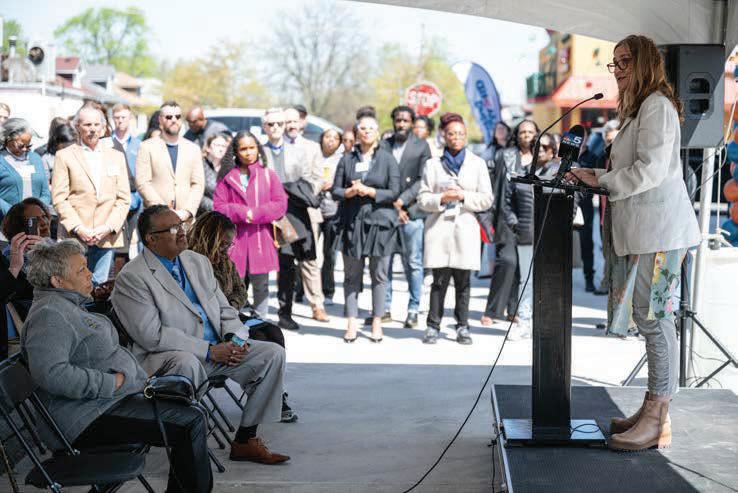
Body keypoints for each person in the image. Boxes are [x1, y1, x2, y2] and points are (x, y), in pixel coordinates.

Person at [567, 34, 701, 452]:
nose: (618, 70)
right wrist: (594, 176)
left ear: (645, 63)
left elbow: (651, 171)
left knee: (656, 321)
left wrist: (603, 181)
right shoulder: (641, 107)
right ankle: (652, 409)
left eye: (625, 61)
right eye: (615, 62)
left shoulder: (657, 106)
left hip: (661, 233)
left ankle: (658, 419)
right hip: (648, 232)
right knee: (649, 319)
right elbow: (634, 169)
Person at [22, 239, 213, 492]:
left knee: (189, 409)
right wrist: (112, 382)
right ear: (57, 281)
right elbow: (52, 374)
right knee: (190, 421)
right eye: (81, 270)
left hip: (105, 404)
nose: (90, 273)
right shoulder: (49, 314)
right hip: (85, 418)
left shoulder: (66, 305)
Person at [111, 205, 289, 464]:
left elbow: (225, 310)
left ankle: (245, 439)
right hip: (166, 358)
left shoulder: (196, 261)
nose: (183, 232)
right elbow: (151, 336)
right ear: (151, 239)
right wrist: (209, 350)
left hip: (217, 350)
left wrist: (233, 340)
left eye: (181, 225)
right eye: (174, 229)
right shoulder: (133, 276)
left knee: (272, 353)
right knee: (187, 361)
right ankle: (187, 447)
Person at [187, 211, 297, 423]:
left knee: (273, 331)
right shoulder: (192, 262)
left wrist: (230, 306)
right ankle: (261, 391)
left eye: (229, 244)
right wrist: (223, 309)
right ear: (209, 238)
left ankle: (276, 393)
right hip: (210, 323)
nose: (227, 249)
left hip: (231, 314)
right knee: (259, 339)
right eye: (223, 244)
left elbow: (240, 290)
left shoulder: (225, 261)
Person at [417, 113, 493, 345]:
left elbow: (486, 198)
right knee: (438, 282)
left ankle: (462, 326)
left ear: (466, 136)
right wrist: (441, 198)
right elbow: (422, 198)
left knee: (463, 283)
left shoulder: (477, 163)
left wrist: (463, 196)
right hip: (439, 228)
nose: (456, 137)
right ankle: (433, 326)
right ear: (444, 136)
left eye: (460, 133)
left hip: (465, 229)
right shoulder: (432, 164)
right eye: (451, 133)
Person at [332, 114, 400, 343]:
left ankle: (377, 321)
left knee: (379, 275)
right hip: (352, 223)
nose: (367, 132)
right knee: (351, 275)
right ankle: (351, 321)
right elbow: (335, 190)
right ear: (357, 132)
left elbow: (395, 191)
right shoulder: (347, 159)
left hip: (380, 224)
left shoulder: (388, 159)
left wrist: (371, 192)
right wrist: (350, 192)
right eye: (363, 128)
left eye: (371, 128)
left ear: (377, 132)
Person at [51, 106, 130, 286]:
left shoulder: (116, 156)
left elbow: (124, 198)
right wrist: (79, 228)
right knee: (74, 287)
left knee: (100, 287)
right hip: (75, 235)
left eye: (96, 124)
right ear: (77, 127)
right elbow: (59, 198)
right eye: (87, 125)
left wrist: (108, 227)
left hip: (106, 235)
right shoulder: (64, 156)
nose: (92, 129)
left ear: (103, 127)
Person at [213, 131, 287, 319]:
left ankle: (260, 322)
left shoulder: (268, 175)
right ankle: (231, 323)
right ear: (235, 152)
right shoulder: (227, 176)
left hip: (260, 237)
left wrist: (256, 214)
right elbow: (219, 206)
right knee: (232, 285)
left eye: (252, 147)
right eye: (243, 149)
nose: (248, 152)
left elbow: (280, 204)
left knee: (261, 285)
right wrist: (241, 212)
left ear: (258, 149)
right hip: (234, 240)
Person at [260, 108, 318, 331]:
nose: (275, 128)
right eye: (271, 124)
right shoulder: (258, 151)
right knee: (260, 266)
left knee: (287, 265)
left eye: (279, 124)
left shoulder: (298, 152)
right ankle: (257, 312)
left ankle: (285, 313)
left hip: (290, 215)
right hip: (263, 214)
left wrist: (289, 190)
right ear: (264, 127)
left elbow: (308, 182)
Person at [500, 132, 558, 340]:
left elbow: (572, 204)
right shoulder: (521, 173)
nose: (540, 150)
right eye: (536, 146)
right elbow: (508, 203)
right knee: (526, 279)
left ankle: (547, 323)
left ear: (553, 151)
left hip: (551, 237)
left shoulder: (559, 174)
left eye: (544, 147)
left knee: (549, 280)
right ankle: (524, 322)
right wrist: (515, 224)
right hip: (525, 234)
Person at [481, 119, 539, 327]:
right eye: (522, 132)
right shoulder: (504, 155)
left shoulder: (541, 156)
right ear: (516, 135)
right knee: (507, 261)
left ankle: (513, 309)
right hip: (506, 215)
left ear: (536, 134)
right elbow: (496, 188)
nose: (526, 135)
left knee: (522, 266)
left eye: (530, 132)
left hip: (529, 217)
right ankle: (492, 310)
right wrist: (490, 216)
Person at [378, 106, 431, 328]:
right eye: (398, 120)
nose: (401, 124)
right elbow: (379, 177)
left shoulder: (421, 145)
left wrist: (403, 201)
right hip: (387, 211)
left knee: (413, 263)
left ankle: (413, 309)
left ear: (411, 122)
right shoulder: (384, 145)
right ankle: (385, 308)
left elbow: (423, 178)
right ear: (393, 121)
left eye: (405, 120)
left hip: (412, 212)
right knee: (385, 262)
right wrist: (393, 203)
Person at [284, 107, 329, 322]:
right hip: (282, 211)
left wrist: (303, 192)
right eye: (287, 122)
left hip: (306, 209)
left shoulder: (312, 147)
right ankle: (286, 305)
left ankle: (317, 305)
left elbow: (319, 178)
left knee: (309, 258)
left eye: (294, 121)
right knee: (285, 259)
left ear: (302, 122)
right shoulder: (276, 148)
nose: (291, 126)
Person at [135, 101, 205, 225]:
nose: (174, 120)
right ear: (160, 120)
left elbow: (198, 184)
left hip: (185, 221)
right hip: (157, 220)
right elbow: (142, 182)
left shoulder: (193, 149)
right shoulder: (146, 147)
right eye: (169, 117)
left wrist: (187, 211)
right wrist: (164, 210)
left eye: (177, 116)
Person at [111, 103, 144, 262]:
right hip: (113, 201)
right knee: (115, 247)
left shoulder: (139, 145)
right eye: (117, 117)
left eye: (123, 117)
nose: (120, 121)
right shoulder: (106, 143)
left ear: (130, 118)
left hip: (135, 200)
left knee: (133, 244)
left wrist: (138, 198)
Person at [0, 118, 52, 215]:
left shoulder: (36, 158)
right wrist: (14, 213)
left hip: (35, 218)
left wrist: (38, 210)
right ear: (8, 139)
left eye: (28, 145)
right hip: (7, 219)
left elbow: (45, 192)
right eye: (21, 145)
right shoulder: (1, 160)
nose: (25, 149)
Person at [317, 128, 343, 304]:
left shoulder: (342, 160)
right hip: (314, 209)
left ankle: (328, 290)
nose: (331, 140)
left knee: (330, 253)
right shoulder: (314, 156)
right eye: (327, 137)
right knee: (308, 252)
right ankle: (301, 288)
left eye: (335, 138)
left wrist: (333, 185)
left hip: (334, 211)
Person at [593, 120, 620, 296]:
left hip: (622, 215)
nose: (611, 145)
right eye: (608, 141)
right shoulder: (600, 158)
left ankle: (610, 284)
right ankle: (607, 282)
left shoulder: (626, 159)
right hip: (605, 215)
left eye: (615, 140)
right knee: (606, 252)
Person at [198, 133, 229, 217]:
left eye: (223, 146)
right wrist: (216, 208)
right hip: (204, 216)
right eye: (217, 145)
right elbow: (197, 193)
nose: (221, 149)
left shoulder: (228, 168)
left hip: (226, 217)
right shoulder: (200, 166)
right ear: (208, 148)